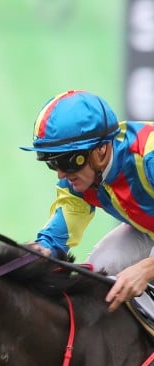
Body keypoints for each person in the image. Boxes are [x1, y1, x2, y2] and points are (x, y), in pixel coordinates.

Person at [23, 89, 154, 313]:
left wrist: (146, 269)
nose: (61, 174)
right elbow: (59, 231)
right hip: (146, 230)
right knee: (99, 273)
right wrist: (42, 250)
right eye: (52, 163)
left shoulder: (148, 156)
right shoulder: (79, 180)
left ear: (101, 149)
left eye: (67, 161)